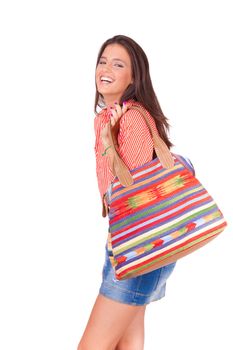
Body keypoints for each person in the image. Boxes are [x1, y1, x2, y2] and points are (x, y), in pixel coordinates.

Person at [77, 35, 176, 350]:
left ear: (134, 78)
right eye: (103, 61)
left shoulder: (132, 117)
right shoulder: (106, 118)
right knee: (126, 345)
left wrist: (110, 139)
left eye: (118, 64)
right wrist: (108, 132)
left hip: (139, 246)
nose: (105, 69)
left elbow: (131, 192)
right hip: (128, 243)